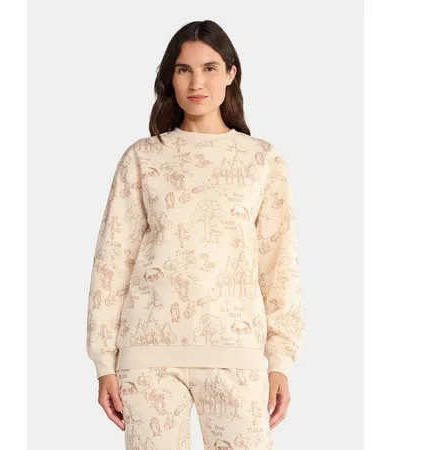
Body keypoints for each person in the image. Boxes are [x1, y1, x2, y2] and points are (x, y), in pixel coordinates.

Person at [86, 19, 304, 450]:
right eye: (183, 69)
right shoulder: (143, 158)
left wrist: (280, 360)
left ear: (231, 73)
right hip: (148, 355)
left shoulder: (262, 160)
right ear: (170, 77)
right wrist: (103, 362)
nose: (196, 82)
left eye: (209, 68)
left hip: (236, 352)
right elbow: (113, 260)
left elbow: (279, 264)